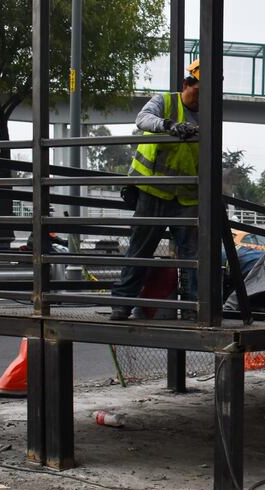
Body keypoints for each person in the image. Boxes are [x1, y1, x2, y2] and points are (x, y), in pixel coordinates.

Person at [110, 59, 202, 321]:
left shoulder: (208, 113)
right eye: (197, 94)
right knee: (140, 250)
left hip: (185, 196)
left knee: (193, 256)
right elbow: (143, 119)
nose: (199, 101)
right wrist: (169, 126)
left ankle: (194, 308)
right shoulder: (165, 102)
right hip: (153, 191)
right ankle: (123, 304)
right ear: (186, 85)